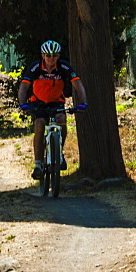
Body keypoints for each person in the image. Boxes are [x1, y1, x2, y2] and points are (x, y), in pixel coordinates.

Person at [18, 40, 87, 179]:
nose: (51, 58)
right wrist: (22, 104)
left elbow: (77, 84)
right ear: (43, 55)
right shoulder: (35, 67)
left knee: (62, 119)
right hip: (38, 103)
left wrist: (83, 103)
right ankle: (38, 164)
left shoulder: (63, 67)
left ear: (58, 55)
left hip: (56, 102)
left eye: (54, 55)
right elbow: (24, 87)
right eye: (48, 55)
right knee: (39, 125)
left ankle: (59, 153)